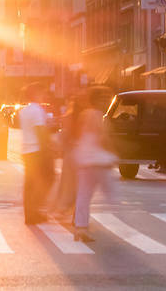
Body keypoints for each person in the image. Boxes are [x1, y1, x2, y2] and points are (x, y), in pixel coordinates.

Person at [72, 87, 117, 243]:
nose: (106, 101)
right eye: (103, 98)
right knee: (111, 192)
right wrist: (113, 153)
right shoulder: (99, 115)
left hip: (83, 158)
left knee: (83, 195)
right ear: (97, 100)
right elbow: (104, 137)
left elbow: (78, 134)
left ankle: (80, 228)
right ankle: (124, 223)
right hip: (96, 160)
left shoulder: (84, 114)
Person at [19, 83, 54, 224]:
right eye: (42, 92)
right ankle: (35, 211)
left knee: (30, 184)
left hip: (27, 151)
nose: (44, 95)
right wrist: (48, 148)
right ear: (36, 94)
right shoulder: (37, 110)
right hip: (37, 151)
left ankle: (30, 214)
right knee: (49, 178)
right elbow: (40, 131)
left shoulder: (24, 110)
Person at [49, 92, 83, 222]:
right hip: (82, 154)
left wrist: (58, 149)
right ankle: (75, 210)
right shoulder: (84, 116)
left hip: (71, 153)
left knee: (68, 183)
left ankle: (62, 209)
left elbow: (65, 135)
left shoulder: (69, 117)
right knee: (79, 185)